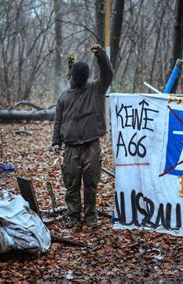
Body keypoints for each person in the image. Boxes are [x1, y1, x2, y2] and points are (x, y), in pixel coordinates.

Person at [52, 43, 113, 227]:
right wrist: (56, 141)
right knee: (71, 184)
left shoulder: (96, 88)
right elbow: (58, 120)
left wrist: (100, 55)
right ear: (72, 77)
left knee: (91, 184)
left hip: (91, 146)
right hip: (70, 148)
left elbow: (108, 74)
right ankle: (73, 215)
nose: (80, 80)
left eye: (82, 78)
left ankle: (90, 216)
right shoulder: (64, 96)